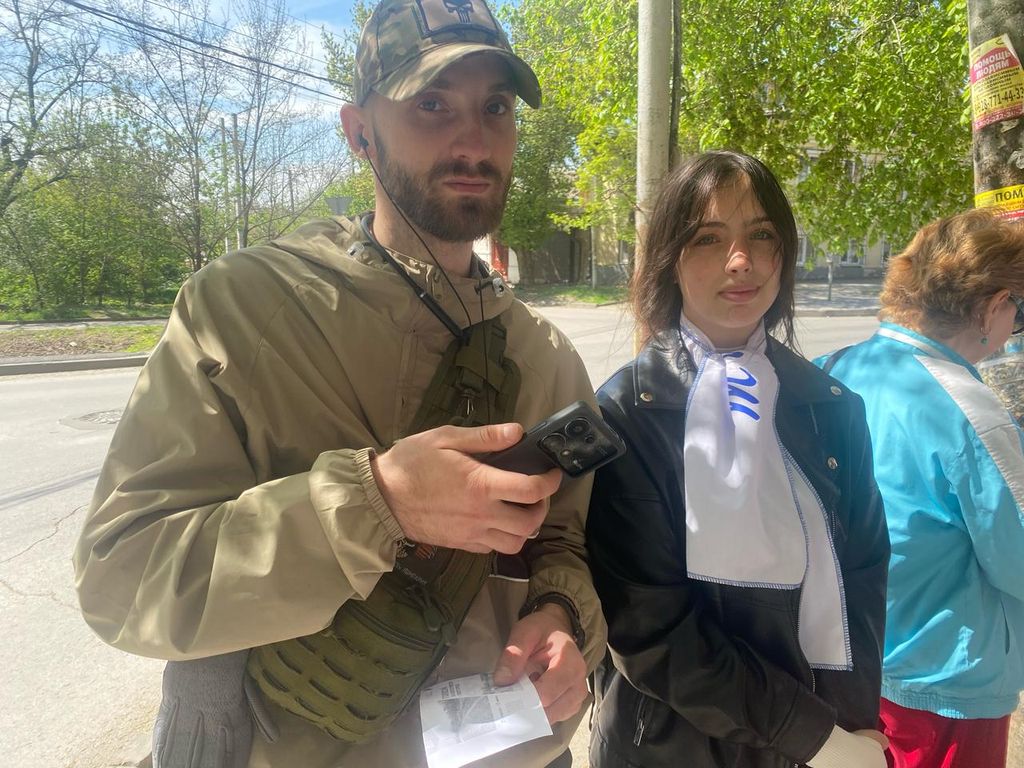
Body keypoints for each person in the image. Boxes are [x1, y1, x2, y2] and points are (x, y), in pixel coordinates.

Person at [72, 0, 606, 765]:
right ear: (359, 132)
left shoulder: (545, 353)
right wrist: (376, 503)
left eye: (496, 106)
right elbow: (121, 578)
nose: (474, 140)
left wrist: (562, 616)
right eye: (432, 104)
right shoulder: (246, 310)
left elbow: (564, 540)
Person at [586, 150, 891, 768]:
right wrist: (820, 740)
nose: (740, 260)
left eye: (762, 235)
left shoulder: (831, 407)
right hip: (668, 748)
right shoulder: (625, 416)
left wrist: (855, 727)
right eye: (708, 238)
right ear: (670, 258)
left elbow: (861, 577)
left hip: (816, 744)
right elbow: (650, 632)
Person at [816, 208, 1024, 768]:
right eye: (1018, 309)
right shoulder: (973, 414)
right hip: (944, 691)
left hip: (845, 666)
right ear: (991, 307)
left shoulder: (829, 371)